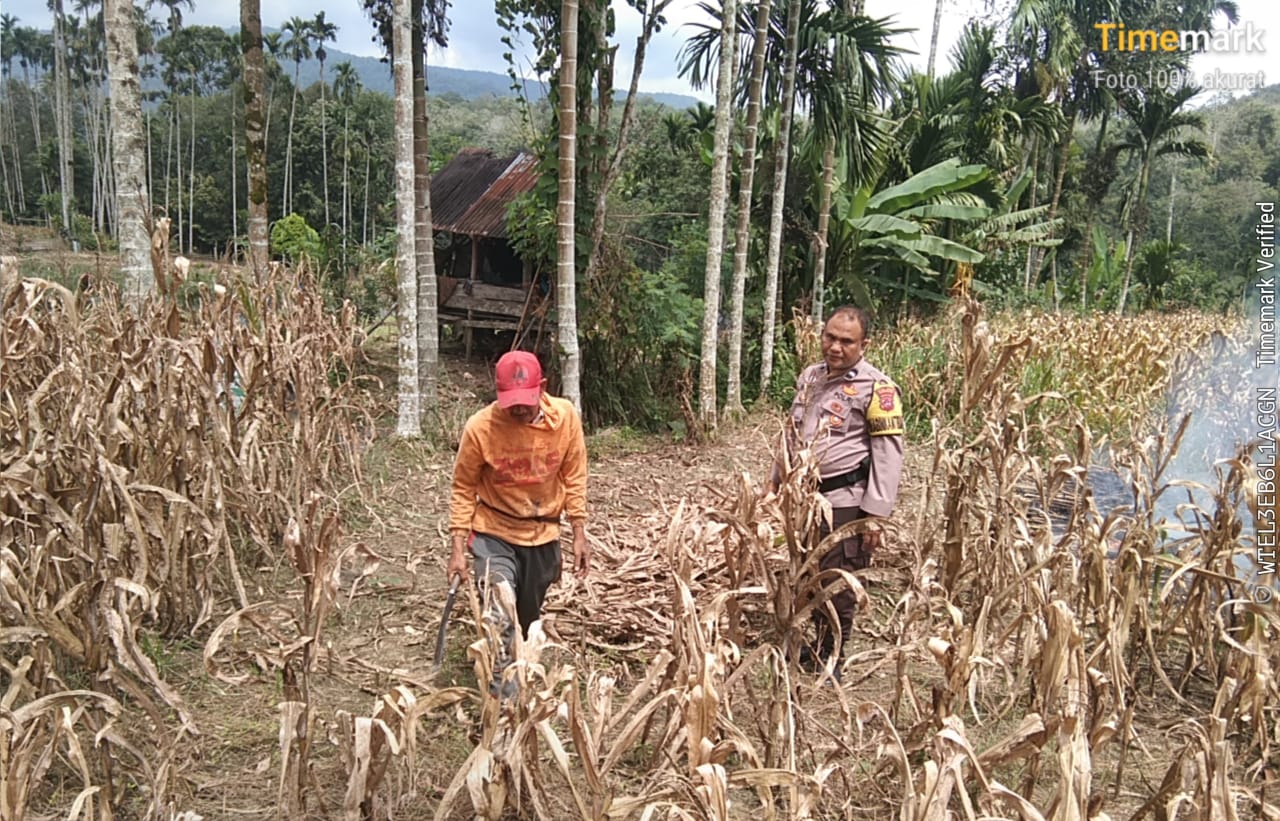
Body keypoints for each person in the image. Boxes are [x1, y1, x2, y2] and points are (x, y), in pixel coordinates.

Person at [766, 305, 904, 676]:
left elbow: (888, 455)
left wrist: (875, 515)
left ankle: (832, 660)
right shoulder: (811, 377)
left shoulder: (878, 389)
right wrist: (775, 480)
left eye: (846, 341)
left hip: (845, 501)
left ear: (864, 345)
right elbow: (792, 432)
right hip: (805, 498)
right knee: (808, 576)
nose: (835, 347)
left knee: (838, 581)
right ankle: (815, 645)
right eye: (830, 337)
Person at [447, 350, 590, 698]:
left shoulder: (566, 418)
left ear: (542, 387)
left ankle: (521, 663)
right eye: (511, 402)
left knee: (527, 617)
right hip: (494, 531)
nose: (519, 409)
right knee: (500, 610)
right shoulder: (480, 428)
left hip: (543, 532)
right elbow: (463, 487)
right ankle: (503, 702)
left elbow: (575, 475)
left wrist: (580, 531)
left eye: (526, 401)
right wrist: (457, 548)